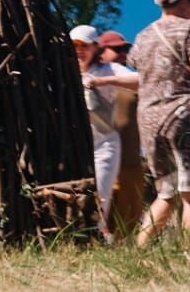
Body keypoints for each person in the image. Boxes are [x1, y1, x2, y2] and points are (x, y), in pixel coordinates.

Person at [131, 0, 190, 245]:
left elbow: (142, 77)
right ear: (184, 0)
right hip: (185, 114)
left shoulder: (143, 35)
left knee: (166, 193)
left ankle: (139, 252)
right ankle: (188, 256)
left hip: (149, 118)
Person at [70, 24, 135, 234]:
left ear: (95, 47)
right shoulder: (63, 71)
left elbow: (139, 79)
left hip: (103, 143)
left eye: (84, 45)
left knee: (101, 193)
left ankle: (96, 235)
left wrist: (101, 82)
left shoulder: (107, 70)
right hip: (74, 145)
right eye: (75, 45)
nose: (79, 50)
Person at [99, 31, 147, 236]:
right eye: (116, 49)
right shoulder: (94, 79)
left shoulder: (130, 82)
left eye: (125, 49)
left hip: (130, 159)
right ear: (101, 51)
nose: (122, 53)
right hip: (103, 156)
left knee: (129, 213)